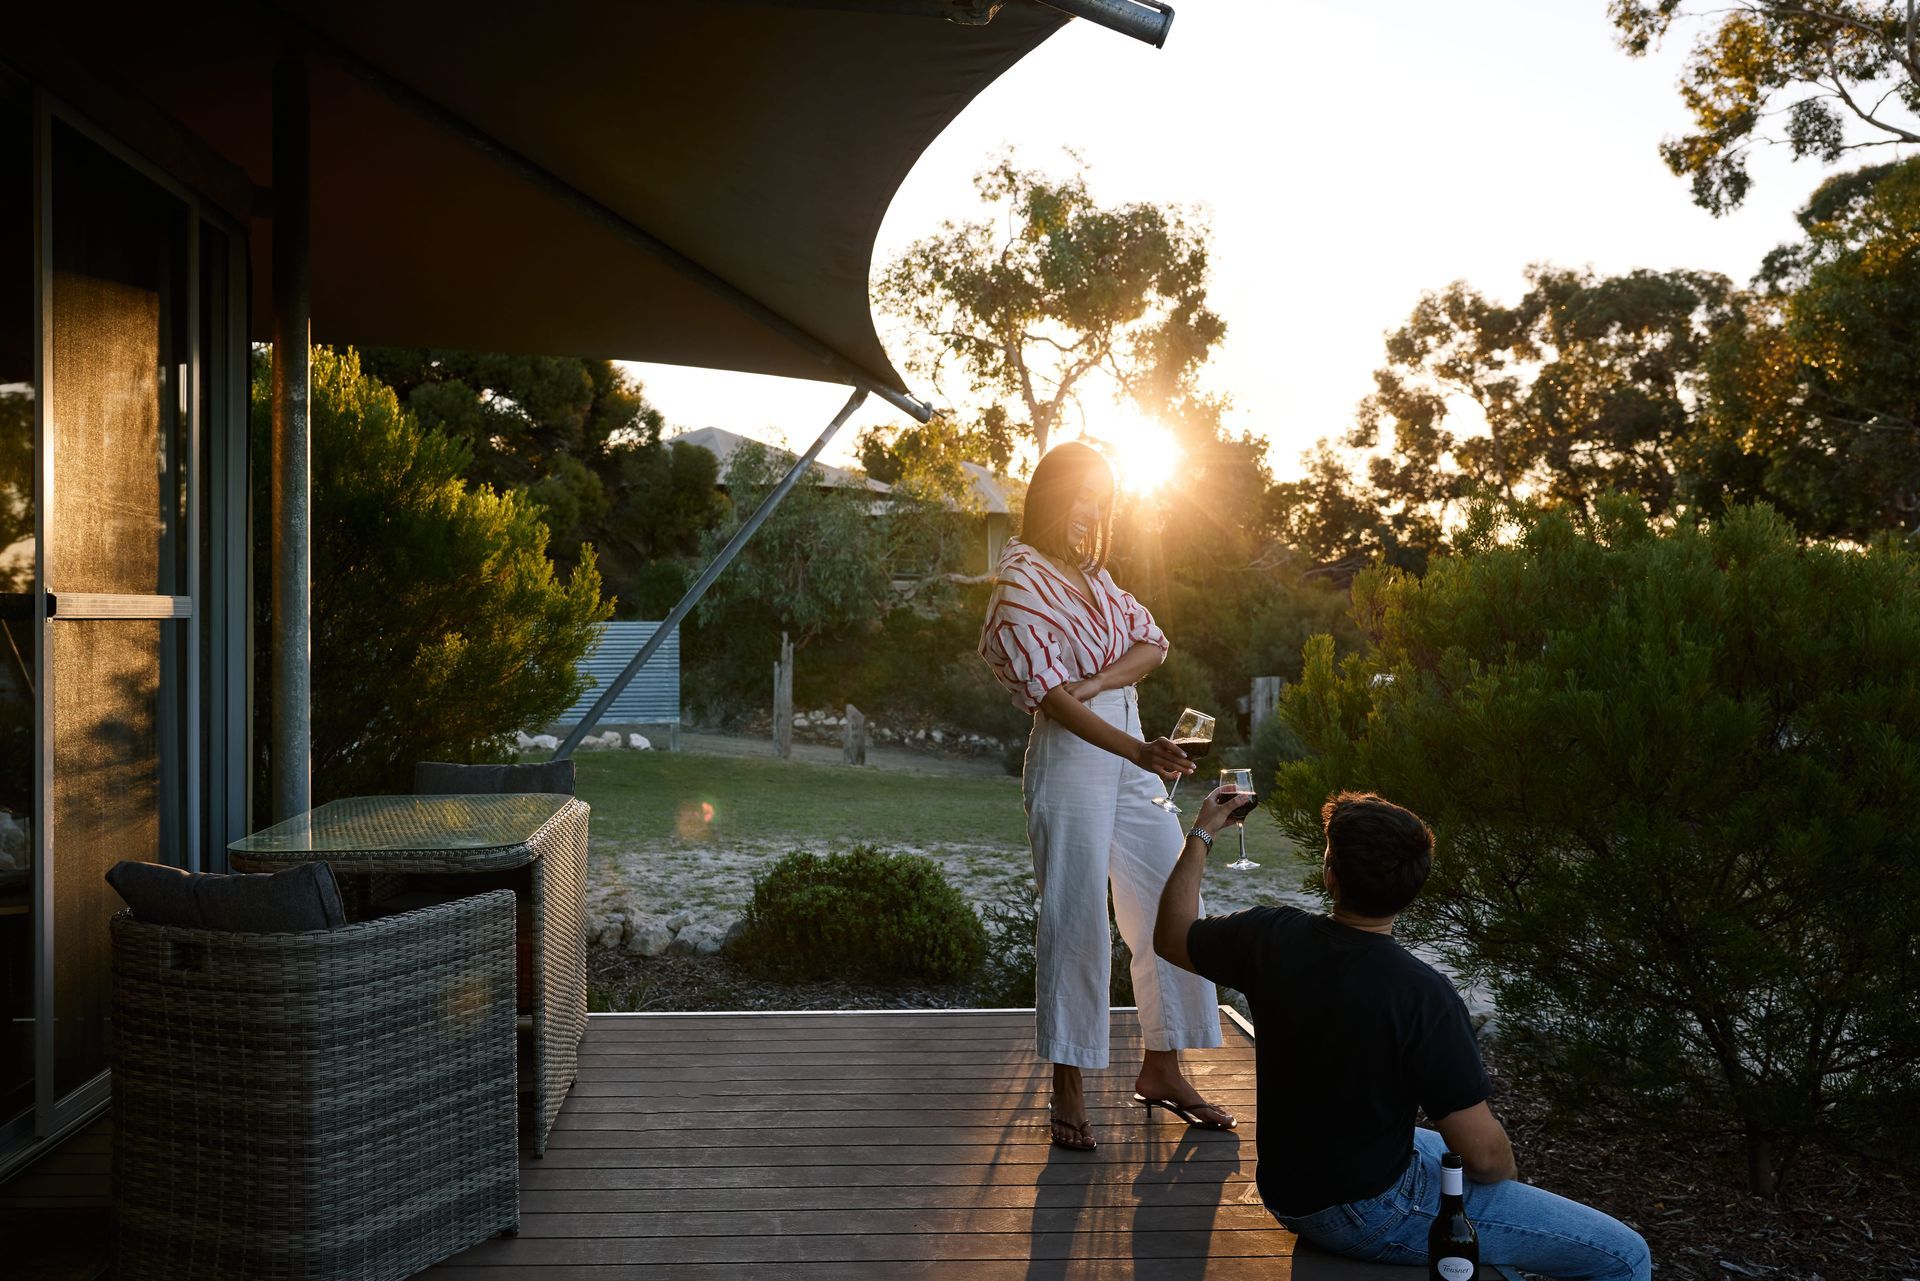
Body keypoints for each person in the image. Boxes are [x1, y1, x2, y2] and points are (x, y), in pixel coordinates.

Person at [1154, 789, 1653, 1280]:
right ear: (1415, 887)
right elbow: (1485, 1157)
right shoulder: (1423, 995)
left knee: (1443, 1154)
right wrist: (1504, 1193)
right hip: (1364, 1211)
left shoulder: (1269, 935)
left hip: (1287, 1188)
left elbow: (1170, 933)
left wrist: (1201, 832)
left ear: (1331, 875)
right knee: (1626, 1256)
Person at [977, 440, 1231, 1151]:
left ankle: (1164, 1065)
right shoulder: (1019, 579)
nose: (1091, 510)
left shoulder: (1098, 575)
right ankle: (1069, 1081)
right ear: (1052, 495)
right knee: (1077, 917)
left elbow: (1154, 643)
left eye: (1102, 498)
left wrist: (1093, 684)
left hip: (1130, 750)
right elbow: (1050, 701)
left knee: (1169, 902)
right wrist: (1128, 740)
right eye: (1080, 495)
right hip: (1076, 758)